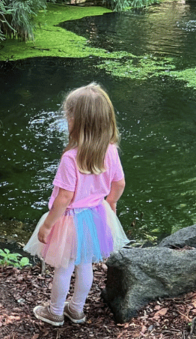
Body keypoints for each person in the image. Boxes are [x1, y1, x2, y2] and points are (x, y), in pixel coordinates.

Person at [25, 82, 127, 326]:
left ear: (76, 122)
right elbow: (120, 183)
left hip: (69, 220)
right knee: (85, 265)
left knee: (64, 268)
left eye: (68, 116)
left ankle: (56, 312)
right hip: (95, 215)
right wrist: (110, 203)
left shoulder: (71, 158)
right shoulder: (111, 150)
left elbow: (64, 198)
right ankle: (77, 309)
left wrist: (48, 224)